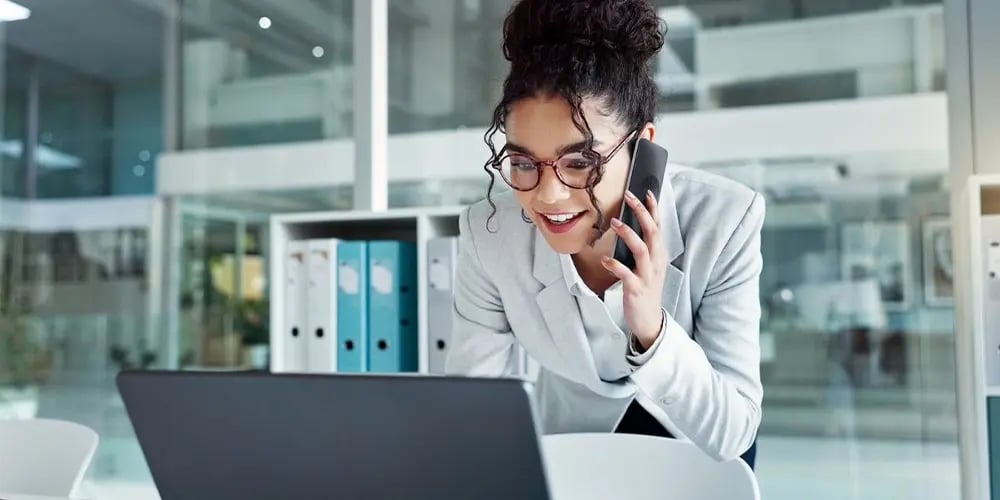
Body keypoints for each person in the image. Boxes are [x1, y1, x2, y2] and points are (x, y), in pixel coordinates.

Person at [444, 0, 764, 468]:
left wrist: (651, 330)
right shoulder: (491, 235)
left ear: (644, 146)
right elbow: (474, 410)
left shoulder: (723, 220)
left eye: (580, 163)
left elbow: (733, 430)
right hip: (575, 446)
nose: (548, 195)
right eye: (523, 163)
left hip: (697, 447)